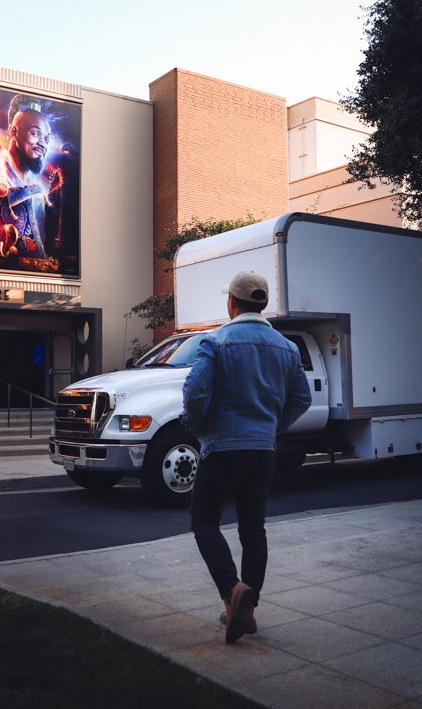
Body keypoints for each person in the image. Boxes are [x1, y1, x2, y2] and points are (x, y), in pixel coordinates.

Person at [181, 270, 312, 644]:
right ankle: (246, 614)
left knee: (204, 522)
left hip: (221, 449)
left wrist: (199, 428)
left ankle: (232, 592)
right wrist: (272, 427)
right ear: (263, 304)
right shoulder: (287, 348)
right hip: (262, 451)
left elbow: (193, 394)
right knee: (253, 529)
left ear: (231, 304)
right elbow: (301, 399)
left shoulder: (217, 342)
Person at [0, 95, 62, 259]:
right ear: (13, 131)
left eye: (46, 138)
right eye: (35, 133)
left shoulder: (32, 181)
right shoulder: (0, 167)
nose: (43, 144)